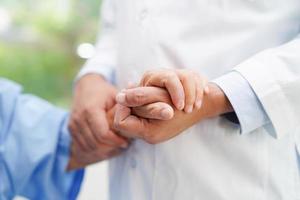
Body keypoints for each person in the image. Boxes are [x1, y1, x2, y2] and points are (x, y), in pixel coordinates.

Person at [70, 0, 300, 199]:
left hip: (237, 172)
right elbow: (116, 24)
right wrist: (94, 75)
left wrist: (216, 97)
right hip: (129, 176)